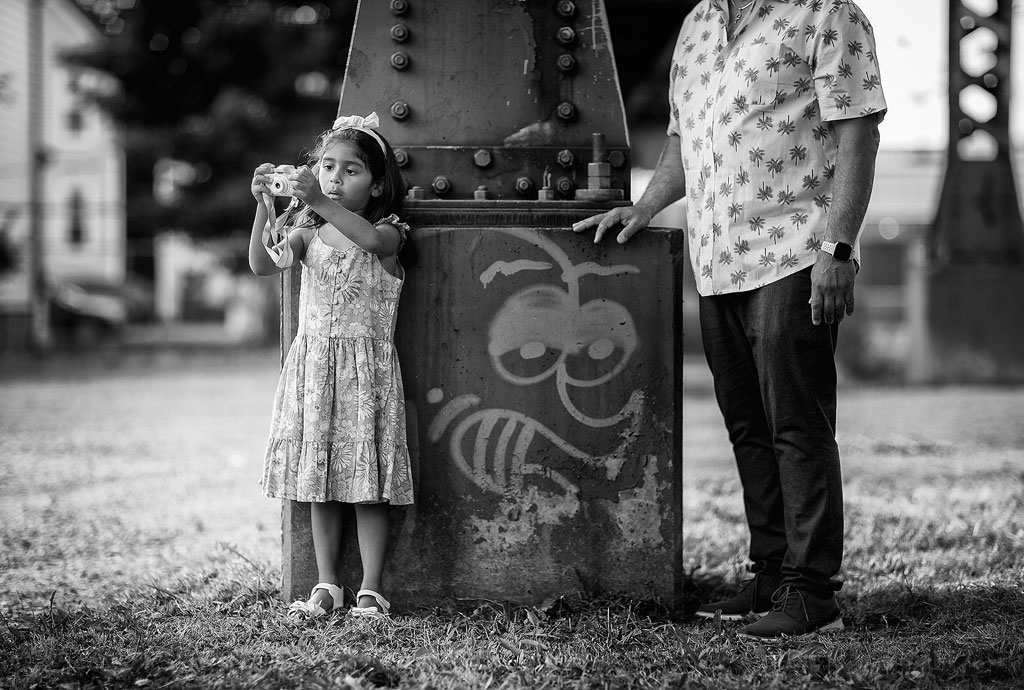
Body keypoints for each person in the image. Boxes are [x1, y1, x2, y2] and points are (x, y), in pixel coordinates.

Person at [574, 0, 886, 640]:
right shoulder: (696, 25)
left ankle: (812, 591)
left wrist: (839, 249)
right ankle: (772, 572)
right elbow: (684, 142)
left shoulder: (828, 14)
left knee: (796, 423)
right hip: (717, 260)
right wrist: (642, 208)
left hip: (797, 250)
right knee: (748, 425)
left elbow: (858, 134)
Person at [249, 112, 414, 619]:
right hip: (315, 368)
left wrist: (317, 201)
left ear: (378, 182)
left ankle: (370, 588)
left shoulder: (390, 232)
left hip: (366, 374)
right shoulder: (306, 233)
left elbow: (369, 243)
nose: (335, 179)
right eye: (326, 168)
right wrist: (264, 207)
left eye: (351, 170)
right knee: (318, 481)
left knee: (368, 485)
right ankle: (326, 585)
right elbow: (262, 263)